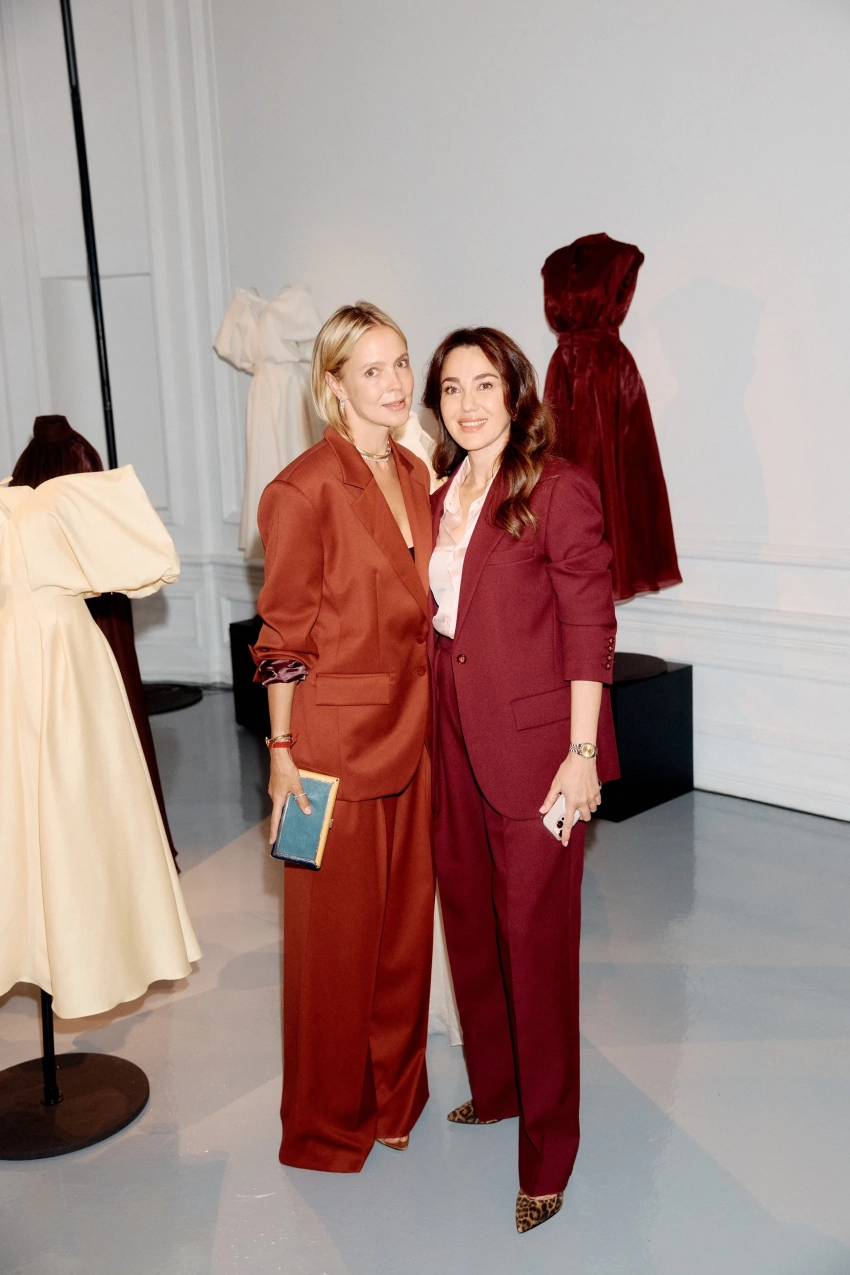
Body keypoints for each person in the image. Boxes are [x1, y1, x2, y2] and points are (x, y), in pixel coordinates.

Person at [423, 328, 619, 1232]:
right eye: (451, 388)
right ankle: (498, 1088)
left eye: (484, 384)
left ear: (515, 391)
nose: (468, 404)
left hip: (539, 751)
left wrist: (582, 754)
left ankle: (549, 1151)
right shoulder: (440, 494)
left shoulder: (557, 487)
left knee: (535, 947)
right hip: (451, 736)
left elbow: (589, 624)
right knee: (470, 923)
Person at [251, 301, 435, 1172]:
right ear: (333, 386)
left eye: (400, 363)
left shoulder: (415, 468)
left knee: (403, 937)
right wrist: (281, 755)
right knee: (333, 948)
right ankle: (327, 1122)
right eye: (372, 370)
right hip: (329, 750)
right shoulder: (302, 489)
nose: (395, 383)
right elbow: (282, 638)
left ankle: (396, 1096)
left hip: (415, 735)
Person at [10, 415, 179, 865]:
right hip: (82, 626)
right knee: (100, 737)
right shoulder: (82, 461)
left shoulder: (22, 475)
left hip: (27, 636)